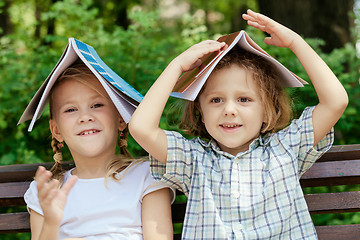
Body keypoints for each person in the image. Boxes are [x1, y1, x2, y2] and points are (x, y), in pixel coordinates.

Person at [129, 9, 348, 239]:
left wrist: (295, 42)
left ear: (267, 110)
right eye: (216, 100)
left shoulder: (286, 148)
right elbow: (141, 128)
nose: (229, 110)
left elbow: (336, 102)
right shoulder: (192, 160)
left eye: (244, 99)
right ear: (200, 112)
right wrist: (177, 66)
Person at [24, 62, 174, 240]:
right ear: (56, 131)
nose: (85, 117)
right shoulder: (48, 191)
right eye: (71, 109)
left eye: (97, 105)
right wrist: (51, 223)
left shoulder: (148, 177)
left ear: (120, 118)